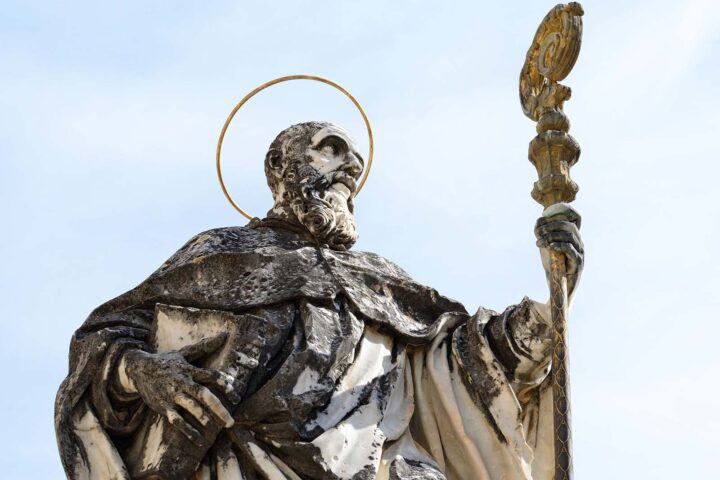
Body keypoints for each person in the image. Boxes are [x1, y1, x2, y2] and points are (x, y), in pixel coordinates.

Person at [55, 121, 584, 480]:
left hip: (382, 463)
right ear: (279, 166)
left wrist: (552, 300)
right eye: (331, 149)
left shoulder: (380, 281)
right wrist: (146, 372)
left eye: (356, 161)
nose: (351, 167)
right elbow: (102, 339)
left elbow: (466, 364)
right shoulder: (219, 253)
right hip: (242, 461)